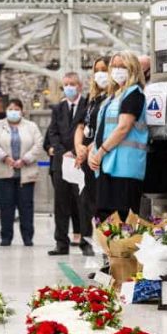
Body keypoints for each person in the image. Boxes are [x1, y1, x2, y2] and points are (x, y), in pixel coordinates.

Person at [89, 51, 149, 221]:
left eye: (122, 66)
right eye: (114, 66)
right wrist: (93, 152)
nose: (117, 70)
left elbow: (123, 128)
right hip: (107, 166)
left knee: (123, 219)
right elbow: (103, 127)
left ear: (133, 68)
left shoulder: (134, 94)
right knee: (104, 216)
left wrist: (100, 152)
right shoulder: (113, 97)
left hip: (124, 167)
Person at [46, 72, 92, 257]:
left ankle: (85, 241)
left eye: (72, 84)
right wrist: (61, 151)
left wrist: (76, 151)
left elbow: (88, 131)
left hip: (80, 161)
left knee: (83, 204)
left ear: (80, 86)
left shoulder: (88, 105)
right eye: (66, 84)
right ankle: (61, 243)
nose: (69, 87)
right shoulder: (58, 108)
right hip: (61, 163)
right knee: (61, 204)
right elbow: (52, 133)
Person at [0, 98, 45, 247]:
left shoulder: (31, 126)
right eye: (11, 109)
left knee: (26, 206)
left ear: (22, 111)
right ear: (6, 111)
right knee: (6, 206)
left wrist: (25, 159)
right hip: (4, 172)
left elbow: (38, 145)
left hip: (26, 173)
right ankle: (6, 237)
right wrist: (5, 157)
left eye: (16, 109)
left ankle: (28, 237)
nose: (14, 112)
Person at [74, 57, 109, 232]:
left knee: (103, 205)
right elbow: (81, 125)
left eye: (104, 69)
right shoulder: (92, 98)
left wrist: (88, 149)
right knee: (90, 204)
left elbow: (109, 129)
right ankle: (95, 243)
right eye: (97, 70)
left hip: (100, 157)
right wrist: (79, 146)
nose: (100, 74)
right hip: (87, 159)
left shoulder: (113, 99)